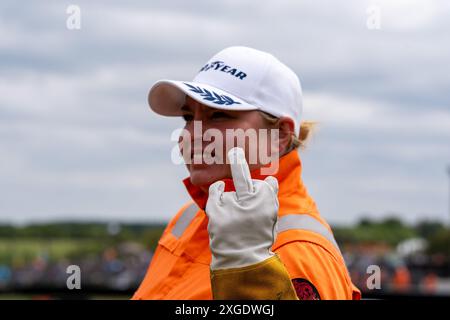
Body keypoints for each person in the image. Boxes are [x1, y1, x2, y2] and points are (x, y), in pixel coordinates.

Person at [132, 46, 361, 300]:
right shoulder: (191, 215)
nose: (194, 135)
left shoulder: (301, 251)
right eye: (188, 117)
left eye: (218, 115)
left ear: (280, 135)